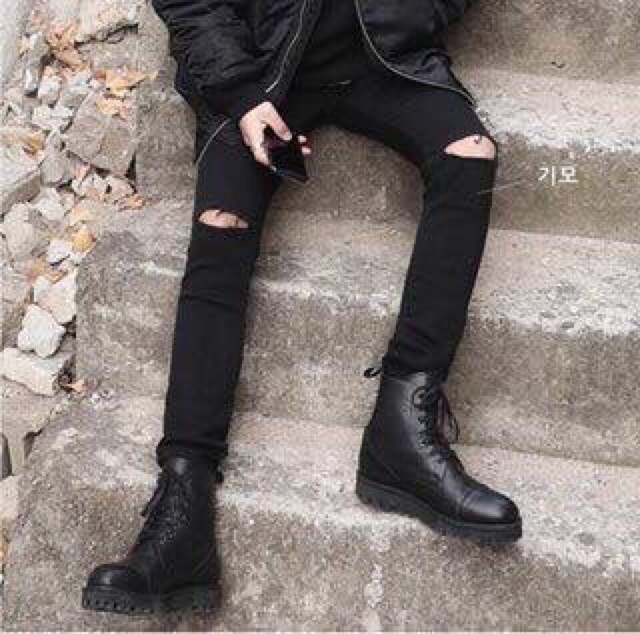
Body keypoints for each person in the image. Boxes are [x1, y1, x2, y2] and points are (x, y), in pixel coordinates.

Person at [82, 0, 522, 616]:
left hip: (385, 59)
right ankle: (184, 498)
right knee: (222, 224)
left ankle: (401, 430)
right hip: (263, 66)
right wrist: (241, 94)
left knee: (469, 154)